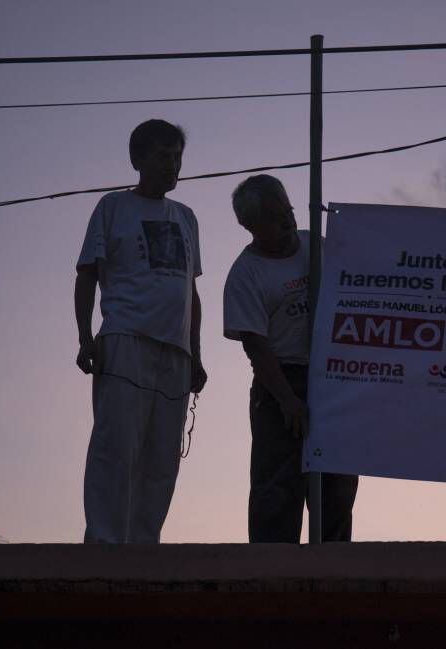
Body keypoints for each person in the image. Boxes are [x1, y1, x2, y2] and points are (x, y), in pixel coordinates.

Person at [75, 119, 207, 543]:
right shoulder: (113, 207)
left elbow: (191, 289)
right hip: (125, 340)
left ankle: (143, 546)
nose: (172, 165)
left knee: (162, 458)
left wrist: (197, 354)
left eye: (177, 157)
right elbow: (87, 274)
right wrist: (85, 338)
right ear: (137, 159)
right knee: (117, 448)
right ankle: (105, 543)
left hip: (176, 352)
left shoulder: (186, 217)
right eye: (163, 156)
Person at [223, 174, 358, 541]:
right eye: (274, 216)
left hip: (330, 375)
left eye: (288, 210)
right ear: (250, 226)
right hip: (281, 382)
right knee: (277, 492)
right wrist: (288, 401)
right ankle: (274, 577)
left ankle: (334, 576)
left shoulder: (317, 246)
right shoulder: (246, 275)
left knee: (337, 489)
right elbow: (256, 347)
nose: (287, 221)